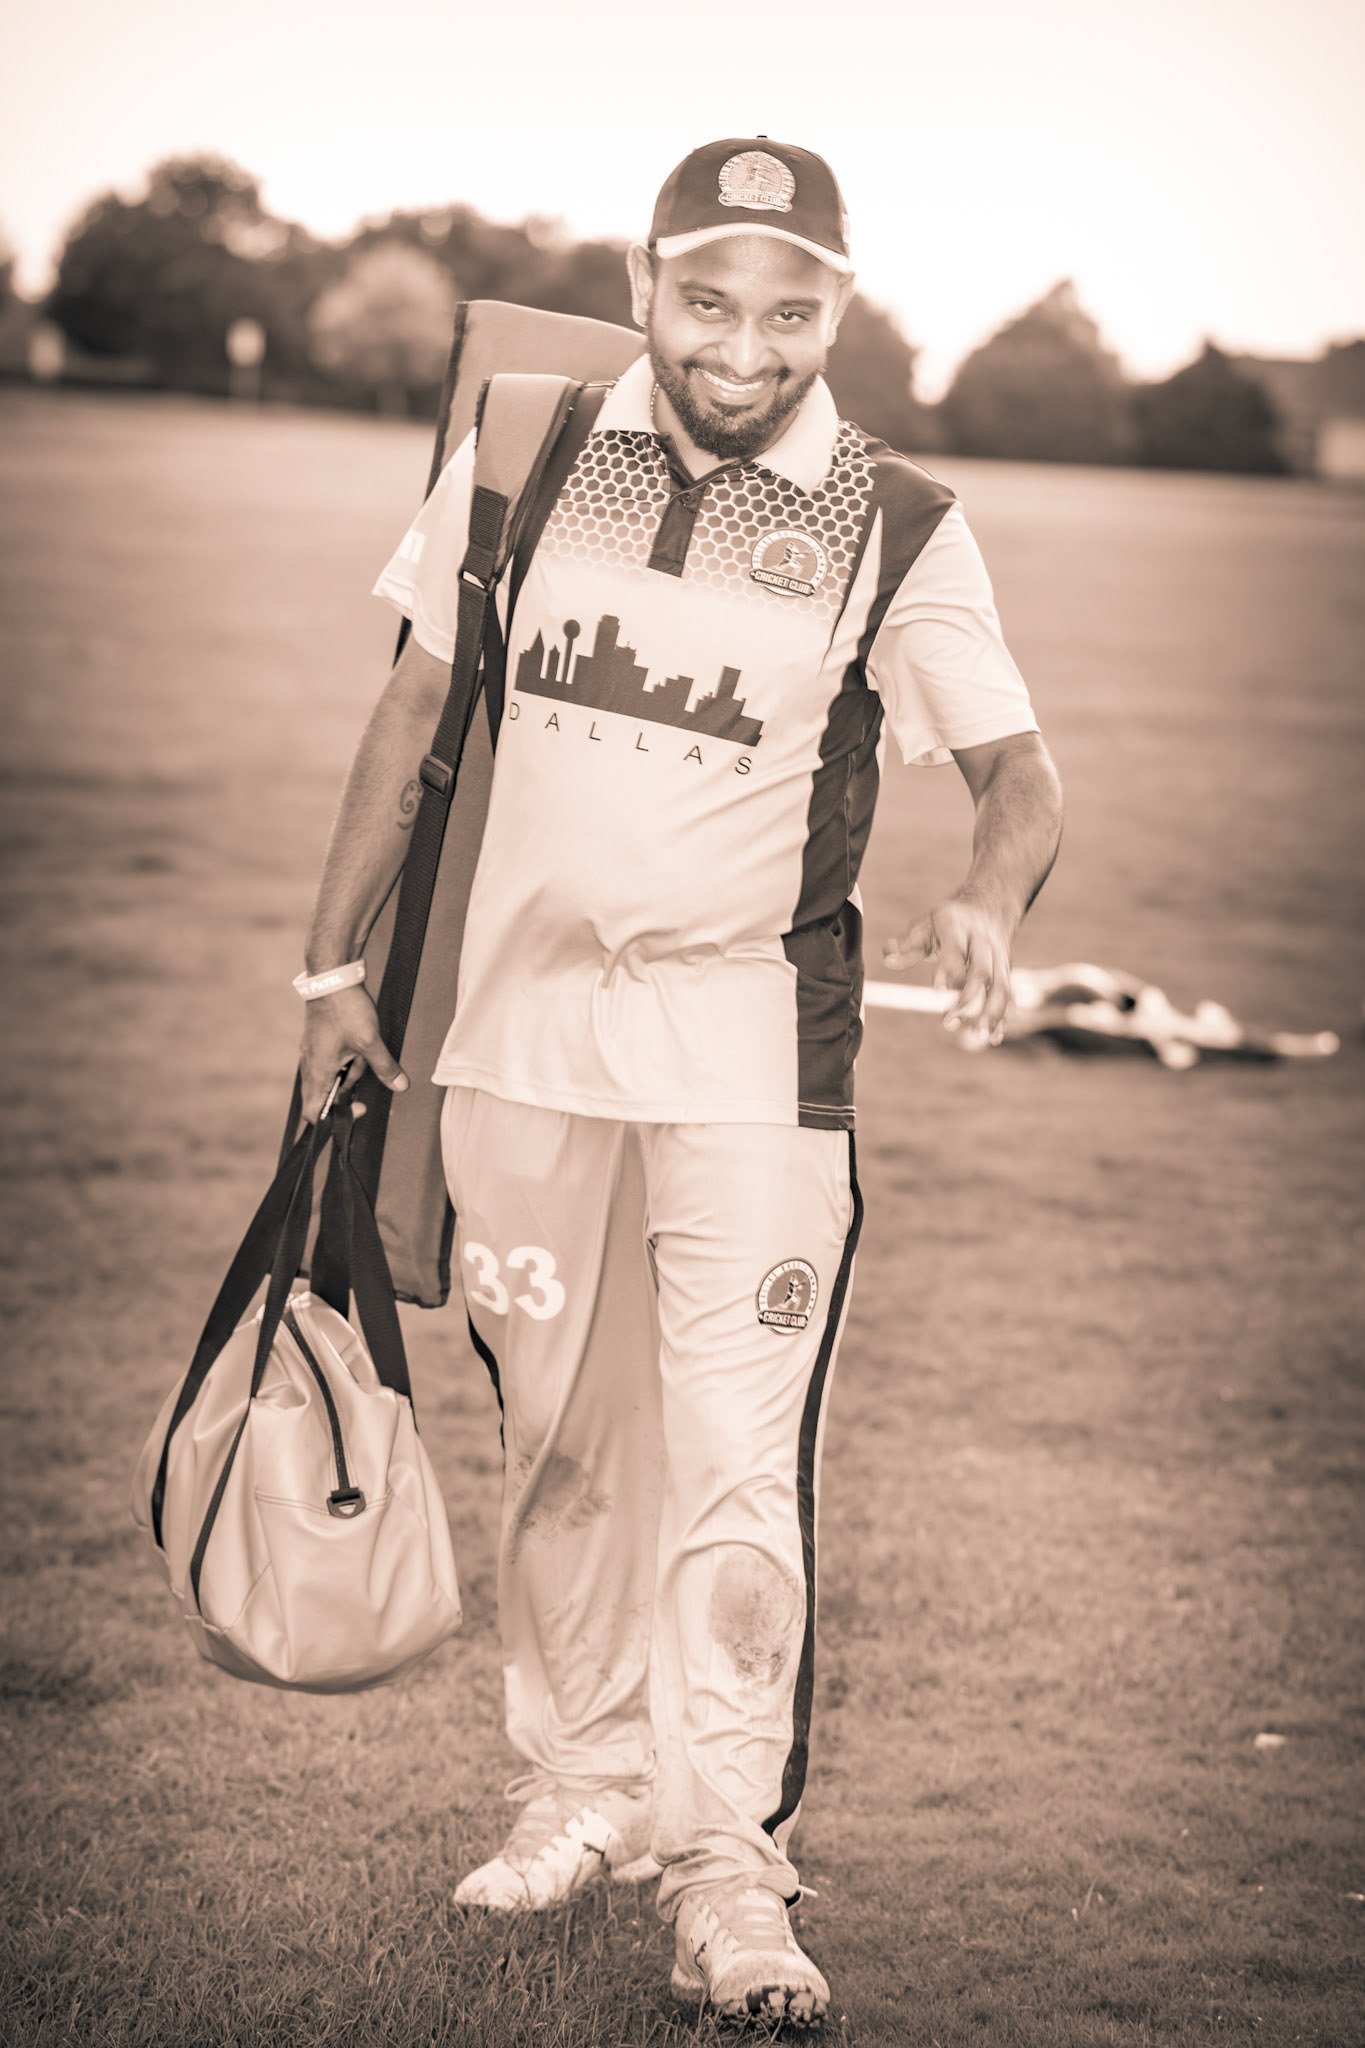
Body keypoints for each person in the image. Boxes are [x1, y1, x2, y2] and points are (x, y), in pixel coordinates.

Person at [297, 137, 1063, 2027]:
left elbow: (1016, 774)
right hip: (519, 1050)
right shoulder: (525, 443)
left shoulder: (900, 517)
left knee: (732, 1469)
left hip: (752, 1063)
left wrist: (987, 894)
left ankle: (728, 1870)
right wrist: (328, 972)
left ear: (836, 313)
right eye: (707, 298)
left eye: (788, 310)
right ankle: (578, 1788)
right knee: (561, 1449)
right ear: (645, 281)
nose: (743, 345)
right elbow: (414, 705)